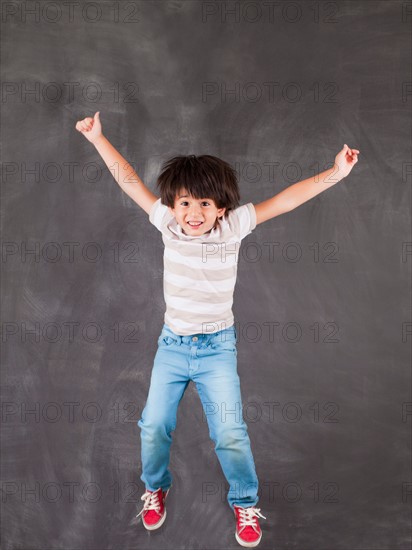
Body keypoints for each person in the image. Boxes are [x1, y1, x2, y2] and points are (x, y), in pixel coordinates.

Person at [75, 111, 359, 548]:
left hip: (216, 350)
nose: (194, 213)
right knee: (153, 425)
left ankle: (245, 501)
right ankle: (155, 488)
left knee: (229, 431)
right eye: (185, 203)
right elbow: (129, 179)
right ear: (173, 206)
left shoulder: (234, 227)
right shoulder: (166, 224)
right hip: (172, 346)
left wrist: (335, 174)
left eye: (205, 204)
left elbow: (285, 200)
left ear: (221, 208)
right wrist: (98, 139)